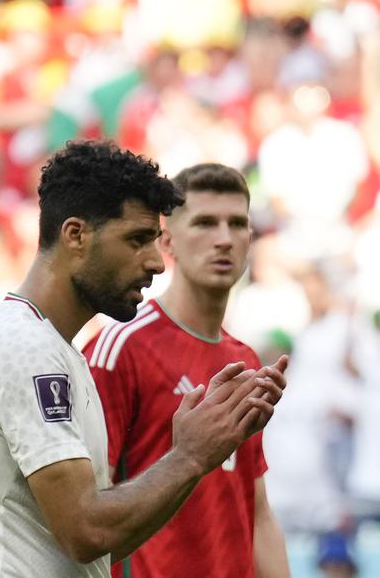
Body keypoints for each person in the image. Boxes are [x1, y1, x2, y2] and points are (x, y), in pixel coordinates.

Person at [0, 140, 287, 577]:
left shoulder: (47, 345)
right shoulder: (27, 347)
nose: (157, 263)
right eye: (137, 240)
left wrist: (191, 457)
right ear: (76, 235)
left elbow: (102, 544)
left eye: (238, 224)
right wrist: (191, 456)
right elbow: (87, 532)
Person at [82, 163, 290, 577]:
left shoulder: (245, 361)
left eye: (237, 224)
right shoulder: (121, 346)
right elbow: (88, 510)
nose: (224, 239)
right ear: (167, 240)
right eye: (205, 223)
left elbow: (257, 508)